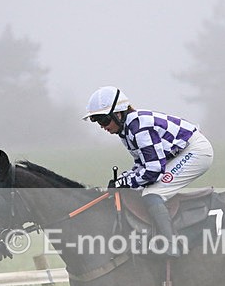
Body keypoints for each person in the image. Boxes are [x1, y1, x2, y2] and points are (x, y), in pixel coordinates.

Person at [82, 86, 214, 257]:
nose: (102, 126)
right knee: (142, 188)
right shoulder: (127, 130)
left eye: (104, 120)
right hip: (180, 152)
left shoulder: (139, 127)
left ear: (119, 114)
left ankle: (171, 245)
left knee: (153, 194)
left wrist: (125, 183)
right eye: (97, 122)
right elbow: (141, 165)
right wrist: (122, 180)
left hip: (196, 152)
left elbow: (153, 171)